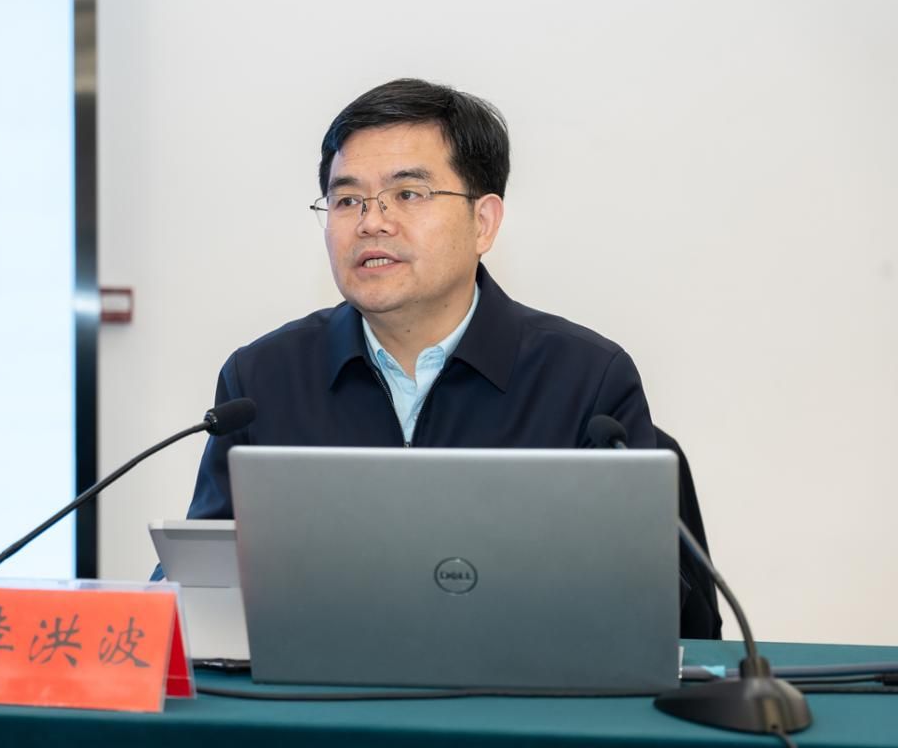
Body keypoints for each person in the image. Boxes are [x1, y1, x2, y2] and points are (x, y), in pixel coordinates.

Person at [181, 78, 719, 637]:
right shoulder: (262, 380)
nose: (372, 222)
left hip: (523, 685)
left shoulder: (585, 381)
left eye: (408, 194)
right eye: (347, 200)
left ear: (483, 222)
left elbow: (650, 608)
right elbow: (204, 591)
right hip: (318, 686)